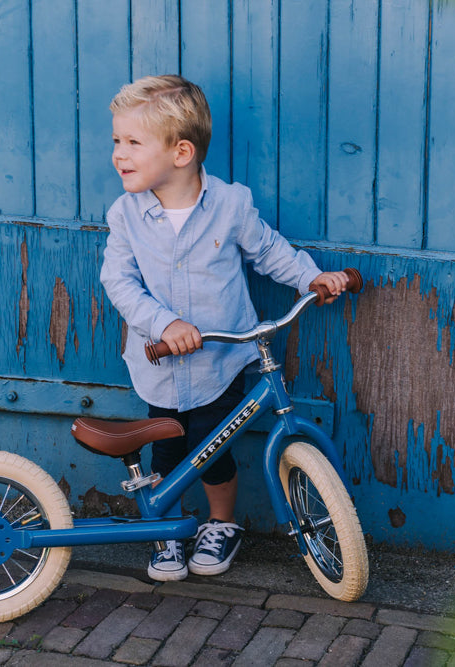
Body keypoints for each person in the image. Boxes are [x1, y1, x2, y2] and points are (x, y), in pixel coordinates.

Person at [100, 75, 348, 581]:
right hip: (161, 360)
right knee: (168, 445)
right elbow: (118, 281)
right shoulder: (127, 214)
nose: (119, 155)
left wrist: (311, 277)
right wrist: (164, 322)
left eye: (132, 142)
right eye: (116, 142)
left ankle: (221, 523)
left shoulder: (230, 205)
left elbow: (268, 251)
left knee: (214, 446)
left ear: (181, 152)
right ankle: (163, 529)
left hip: (220, 357)